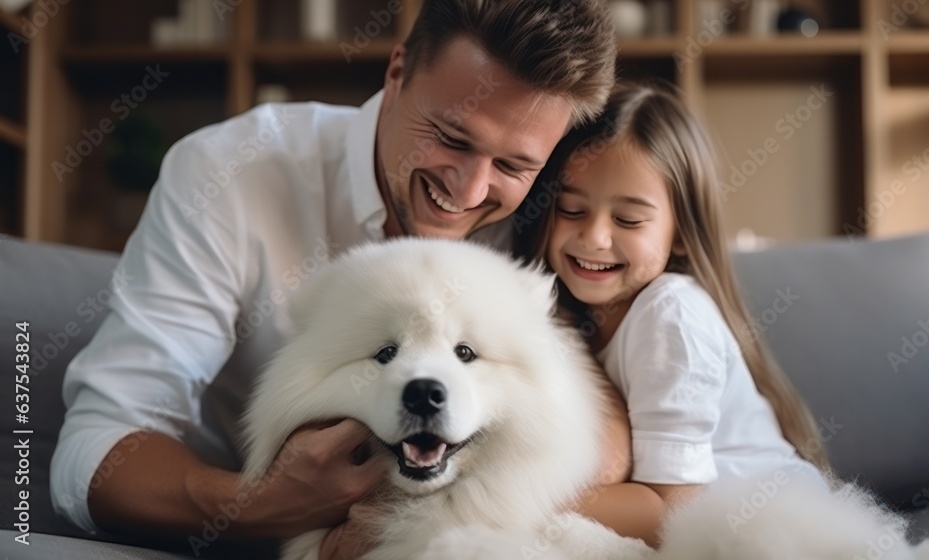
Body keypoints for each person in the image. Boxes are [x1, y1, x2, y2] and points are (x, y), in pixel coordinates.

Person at [50, 0, 624, 555]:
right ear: (397, 73)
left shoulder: (558, 219)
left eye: (512, 166)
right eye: (451, 138)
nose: (468, 191)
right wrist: (258, 504)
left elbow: (637, 414)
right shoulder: (228, 175)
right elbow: (94, 449)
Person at [513, 80, 832, 547]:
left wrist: (506, 499)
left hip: (782, 532)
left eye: (628, 220)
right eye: (571, 208)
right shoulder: (562, 313)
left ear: (681, 234)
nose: (595, 237)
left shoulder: (672, 316)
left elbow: (672, 512)